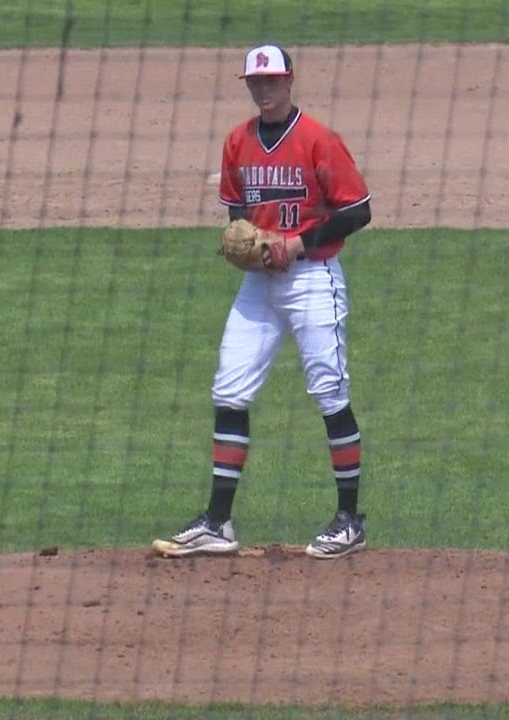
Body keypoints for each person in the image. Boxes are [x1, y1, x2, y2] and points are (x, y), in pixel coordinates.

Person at [152, 44, 374, 560]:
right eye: (256, 82)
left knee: (329, 393)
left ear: (289, 80)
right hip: (261, 286)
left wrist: (297, 243)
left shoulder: (319, 139)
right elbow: (237, 212)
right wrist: (248, 247)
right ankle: (218, 523)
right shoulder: (238, 141)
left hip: (314, 277)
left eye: (272, 80)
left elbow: (359, 210)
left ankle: (350, 521)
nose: (264, 89)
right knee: (229, 389)